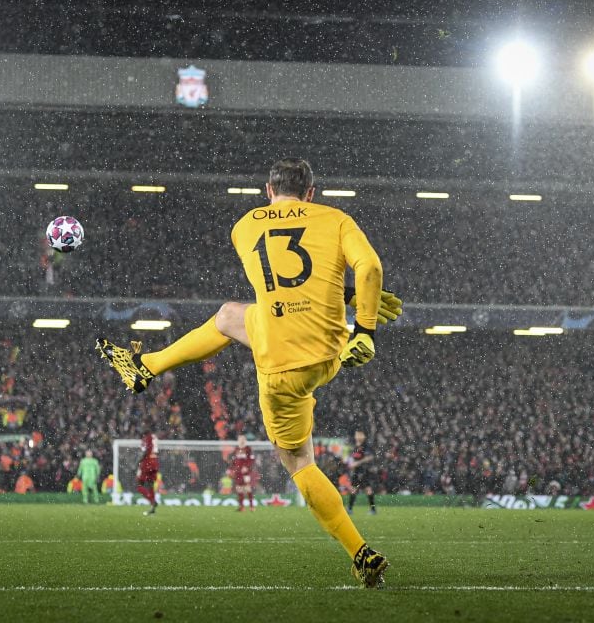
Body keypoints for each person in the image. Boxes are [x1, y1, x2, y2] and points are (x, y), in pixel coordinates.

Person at [97, 157, 402, 588]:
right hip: (330, 350)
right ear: (311, 192)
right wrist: (364, 325)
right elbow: (367, 269)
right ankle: (144, 365)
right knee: (227, 316)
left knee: (297, 460)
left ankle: (361, 553)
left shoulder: (244, 227)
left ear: (267, 190)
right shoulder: (336, 219)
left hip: (279, 360)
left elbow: (279, 275)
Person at [346, 429, 378, 515]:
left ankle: (351, 508)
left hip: (364, 470)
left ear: (364, 436)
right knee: (356, 489)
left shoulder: (366, 446)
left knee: (366, 489)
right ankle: (350, 508)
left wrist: (357, 463)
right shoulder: (355, 447)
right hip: (356, 471)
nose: (358, 436)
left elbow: (370, 457)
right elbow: (353, 458)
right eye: (357, 435)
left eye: (360, 435)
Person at [230, 433, 256, 512]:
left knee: (247, 488)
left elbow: (251, 459)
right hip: (238, 472)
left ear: (245, 440)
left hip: (246, 472)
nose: (241, 441)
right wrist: (232, 469)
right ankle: (242, 507)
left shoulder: (248, 449)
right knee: (239, 489)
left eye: (242, 439)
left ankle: (252, 506)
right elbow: (234, 461)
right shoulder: (236, 449)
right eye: (239, 439)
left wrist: (247, 467)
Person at [136, 429, 159, 515]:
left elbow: (145, 450)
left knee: (139, 485)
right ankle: (153, 509)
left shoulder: (147, 438)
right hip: (155, 463)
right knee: (150, 485)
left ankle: (152, 501)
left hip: (147, 464)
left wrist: (138, 461)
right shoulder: (154, 437)